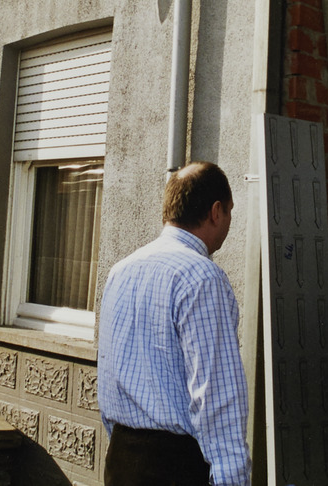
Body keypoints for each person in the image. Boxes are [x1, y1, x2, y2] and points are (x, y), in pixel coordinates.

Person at [97, 162, 250, 486]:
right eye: (230, 212)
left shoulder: (120, 271)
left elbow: (108, 378)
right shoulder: (202, 277)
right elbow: (216, 394)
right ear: (216, 211)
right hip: (175, 467)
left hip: (121, 461)